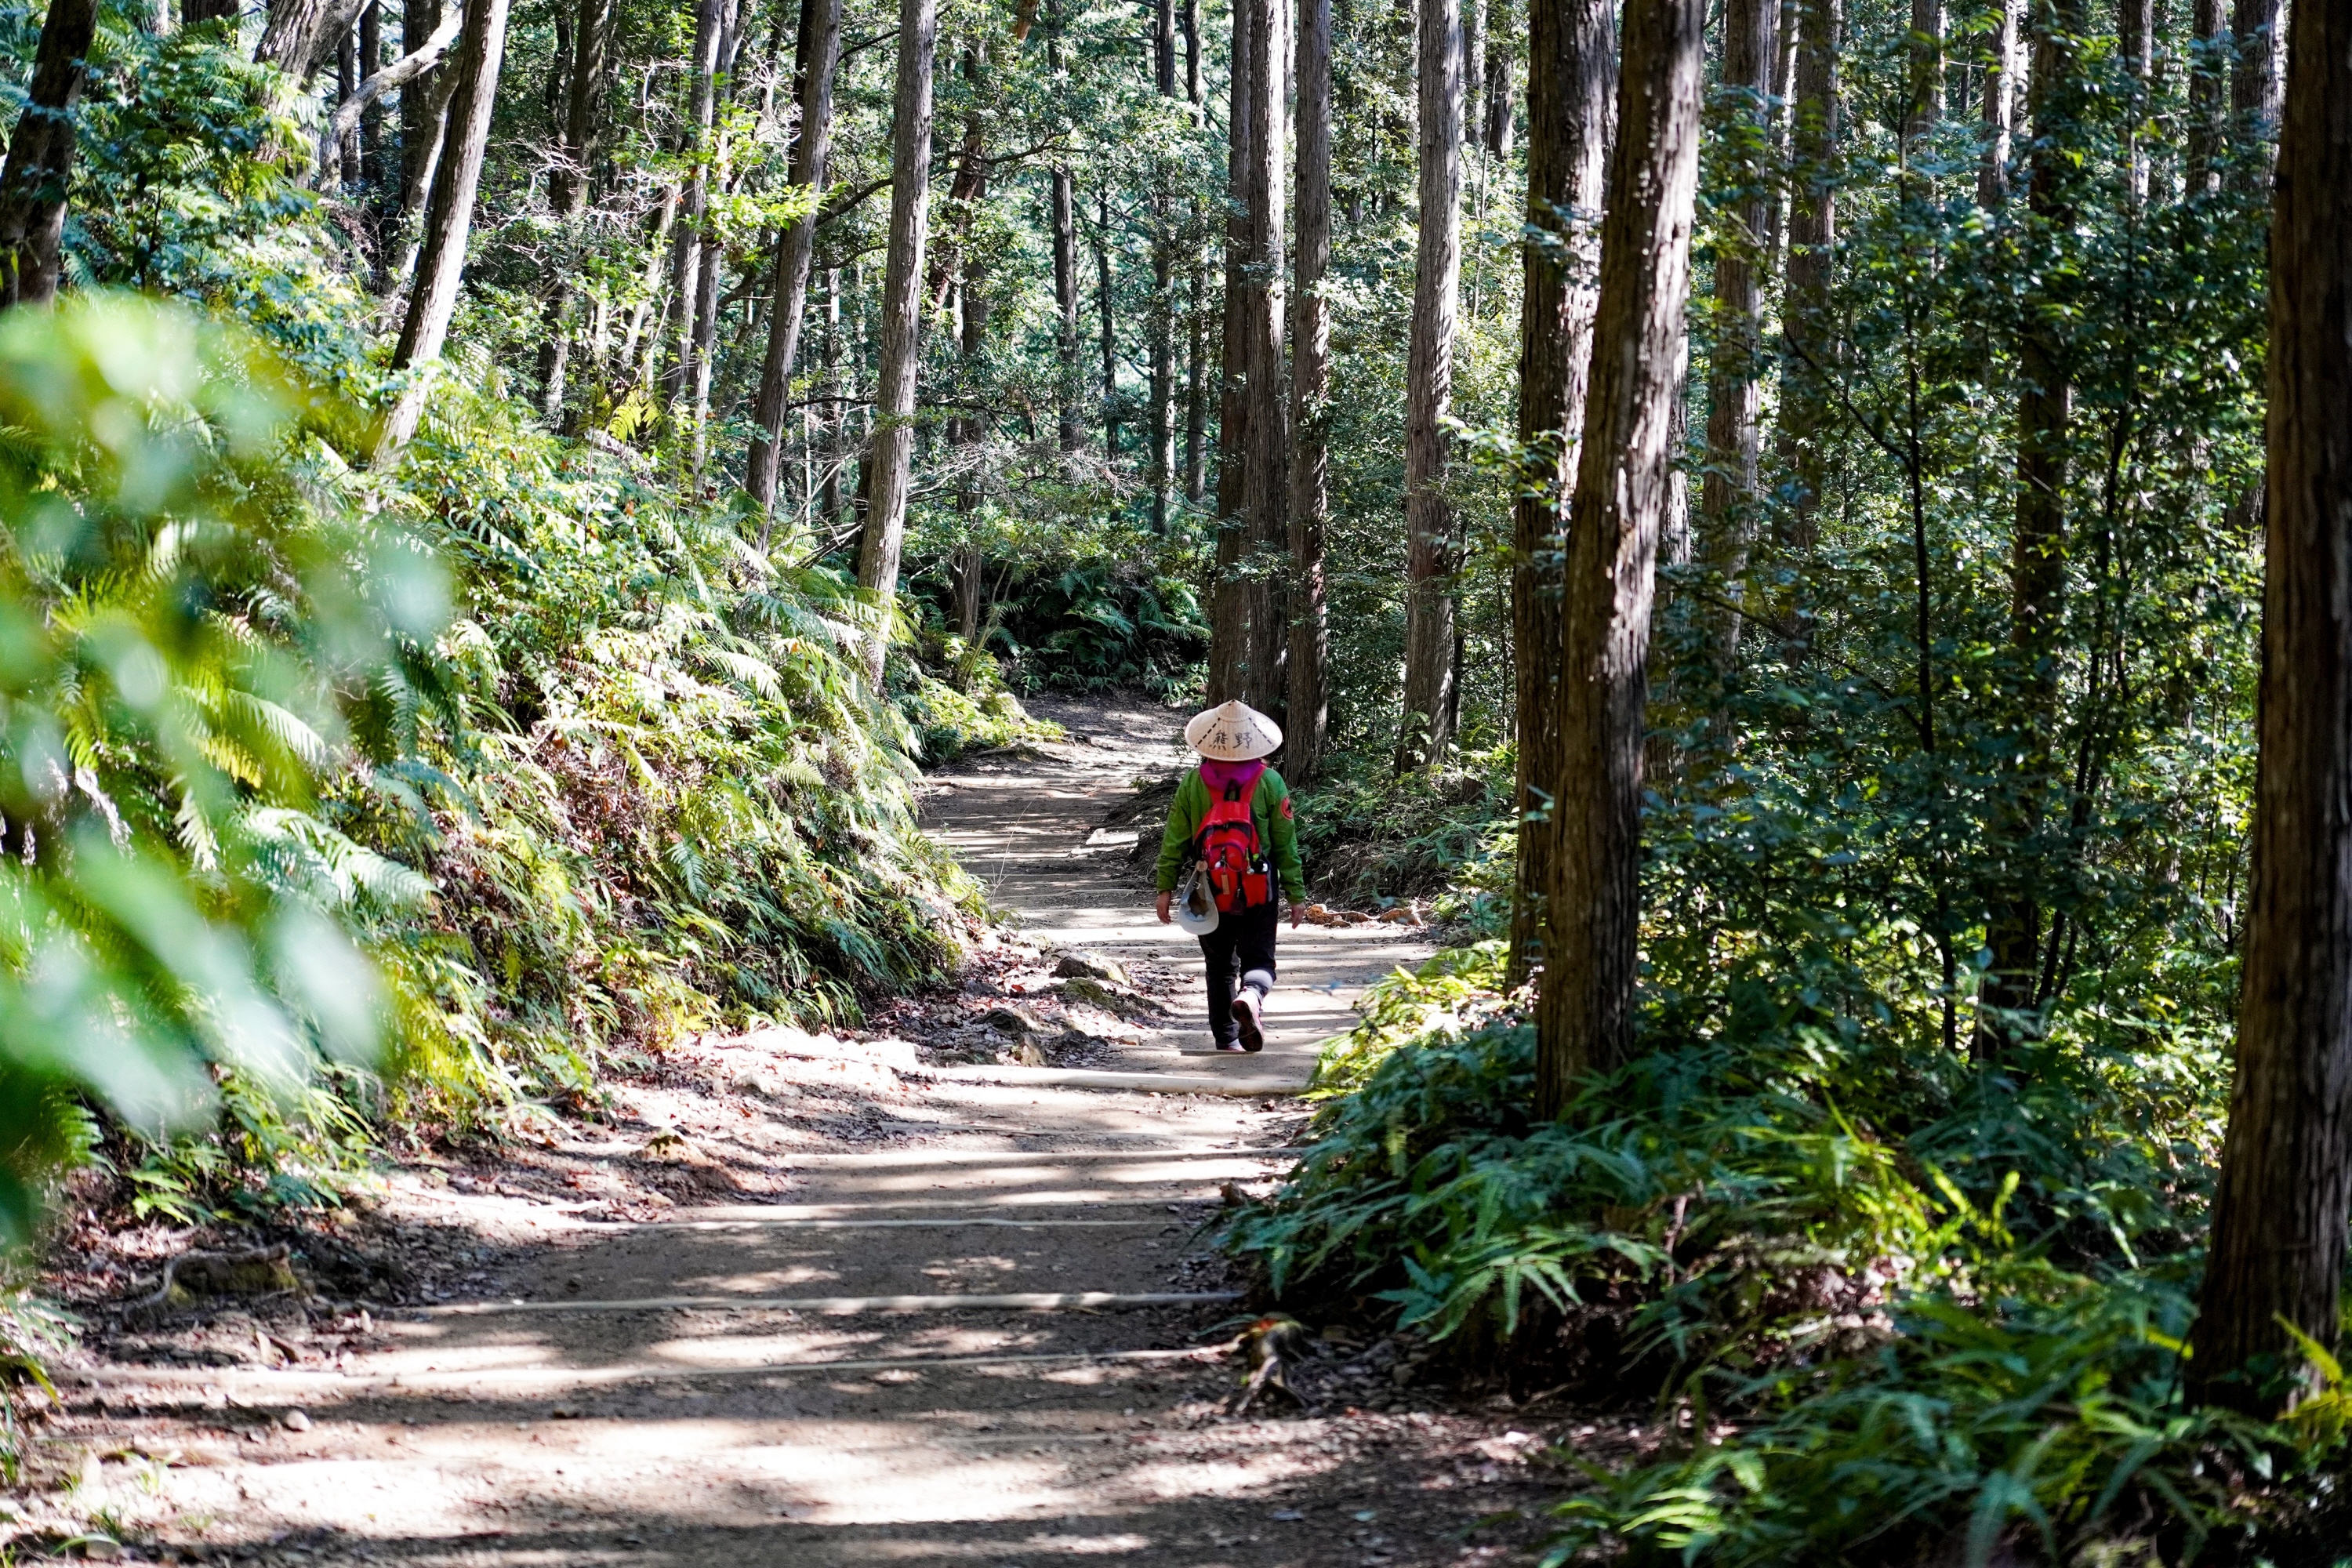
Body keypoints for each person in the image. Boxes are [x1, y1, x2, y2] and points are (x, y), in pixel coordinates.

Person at [1153, 700, 1305, 1053]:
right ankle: (1252, 994)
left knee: (1219, 964)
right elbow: (1285, 844)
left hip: (1208, 886)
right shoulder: (1270, 781)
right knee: (1260, 959)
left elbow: (1175, 838)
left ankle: (1226, 1037)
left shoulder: (1193, 782)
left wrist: (1165, 887)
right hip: (1259, 886)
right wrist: (1296, 894)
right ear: (1256, 741)